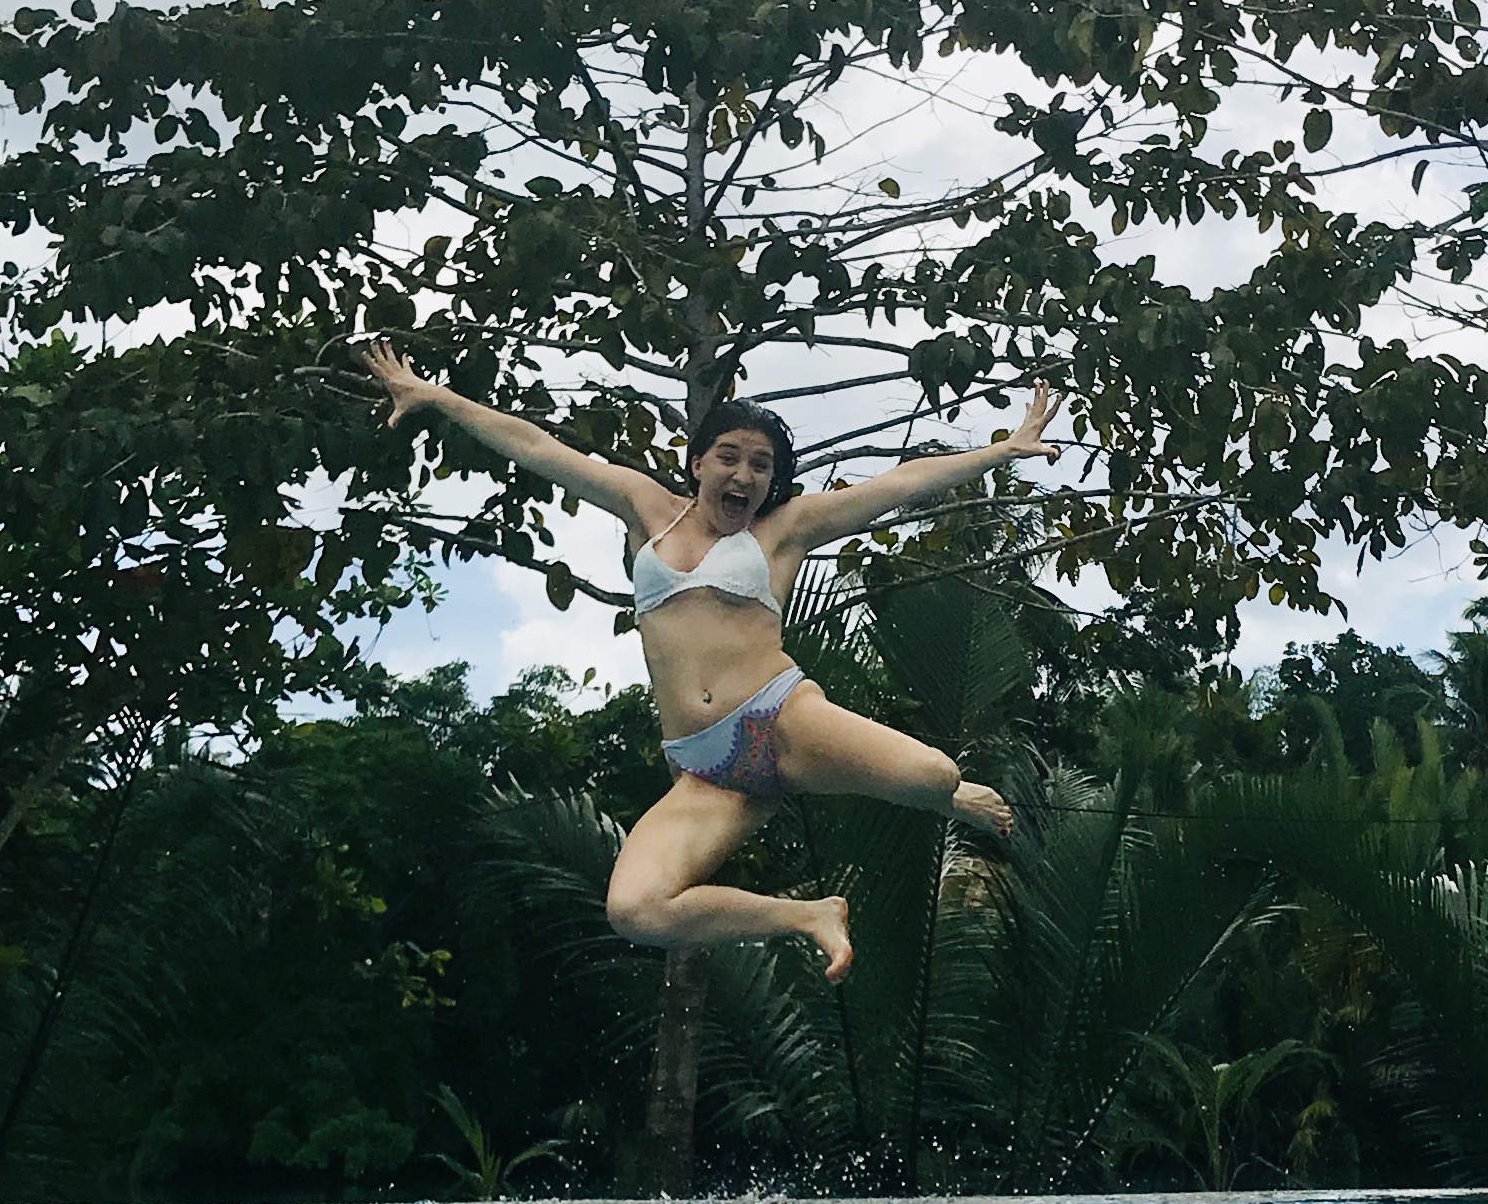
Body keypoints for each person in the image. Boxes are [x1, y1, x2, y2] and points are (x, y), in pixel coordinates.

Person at [355, 342, 1056, 985]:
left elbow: (902, 484)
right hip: (702, 765)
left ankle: (948, 795)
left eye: (760, 466)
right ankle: (808, 915)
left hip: (780, 718)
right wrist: (435, 396)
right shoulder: (645, 507)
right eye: (729, 457)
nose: (743, 475)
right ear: (698, 462)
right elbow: (535, 445)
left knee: (936, 774)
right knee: (637, 911)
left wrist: (1004, 450)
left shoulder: (785, 531)